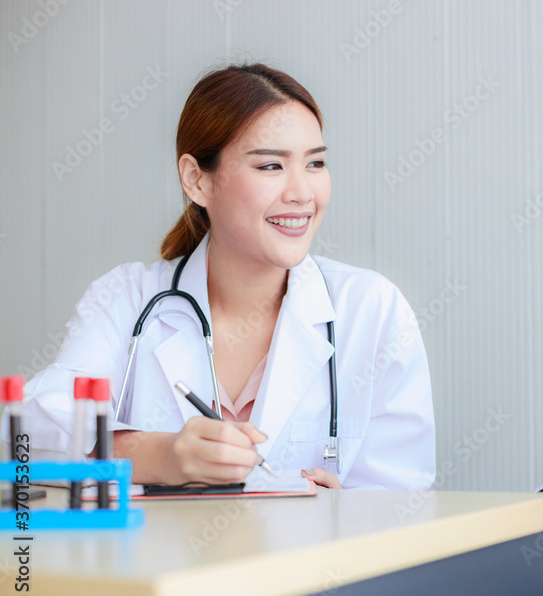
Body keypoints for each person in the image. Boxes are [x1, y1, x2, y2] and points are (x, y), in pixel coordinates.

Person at [3, 63, 435, 490]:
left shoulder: (371, 309)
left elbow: (405, 497)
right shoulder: (125, 299)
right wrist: (158, 455)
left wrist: (346, 512)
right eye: (271, 166)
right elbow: (23, 436)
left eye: (316, 163)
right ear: (197, 180)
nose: (303, 192)